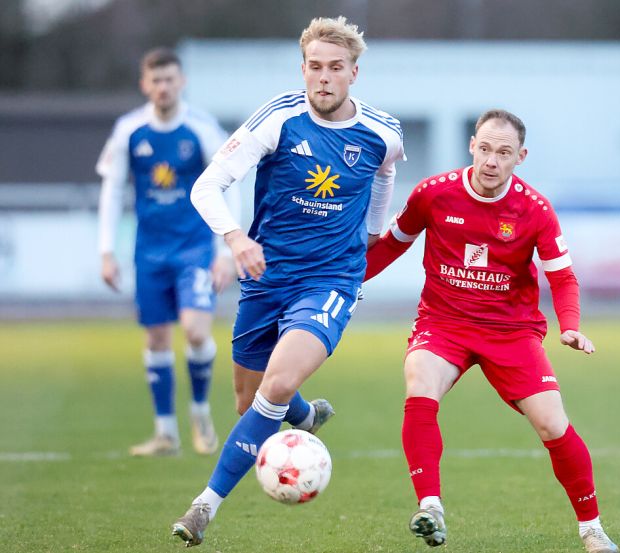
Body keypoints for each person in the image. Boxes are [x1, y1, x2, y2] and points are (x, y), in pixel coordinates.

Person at [170, 16, 404, 547]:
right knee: (248, 400)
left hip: (330, 281)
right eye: (315, 68)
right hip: (265, 276)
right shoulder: (279, 119)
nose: (324, 78)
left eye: (335, 68)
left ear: (354, 73)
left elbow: (385, 174)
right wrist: (235, 239)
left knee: (273, 387)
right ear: (303, 69)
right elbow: (206, 188)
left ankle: (204, 507)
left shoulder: (382, 132)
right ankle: (305, 415)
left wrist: (370, 233)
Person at [364, 109, 620, 553]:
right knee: (419, 383)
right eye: (485, 148)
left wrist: (570, 327)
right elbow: (391, 246)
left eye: (503, 152)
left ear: (520, 157)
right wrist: (342, 282)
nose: (491, 161)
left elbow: (563, 278)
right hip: (443, 323)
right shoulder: (433, 194)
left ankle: (592, 529)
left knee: (552, 424)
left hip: (511, 331)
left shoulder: (535, 209)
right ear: (472, 145)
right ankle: (430, 506)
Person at [97, 47, 239, 458]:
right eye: (155, 80)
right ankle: (165, 433)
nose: (163, 87)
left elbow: (231, 180)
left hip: (195, 248)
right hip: (150, 252)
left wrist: (226, 247)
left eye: (170, 79)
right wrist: (107, 251)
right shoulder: (128, 131)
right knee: (156, 337)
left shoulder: (202, 129)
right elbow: (111, 191)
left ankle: (198, 412)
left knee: (195, 330)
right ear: (145, 85)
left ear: (182, 82)